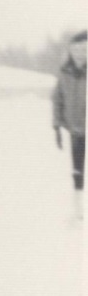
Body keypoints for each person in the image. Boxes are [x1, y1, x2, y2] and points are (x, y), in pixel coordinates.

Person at [52, 30, 87, 222]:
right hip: (76, 130)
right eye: (76, 49)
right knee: (78, 171)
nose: (80, 53)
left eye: (84, 49)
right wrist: (57, 126)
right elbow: (57, 99)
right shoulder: (64, 73)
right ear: (70, 51)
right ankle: (79, 210)